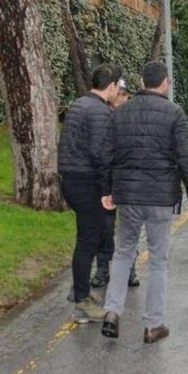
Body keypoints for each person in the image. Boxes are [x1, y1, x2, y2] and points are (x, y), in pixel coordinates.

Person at [100, 61, 188, 344]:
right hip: (159, 196)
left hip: (128, 196)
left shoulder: (121, 112)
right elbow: (186, 157)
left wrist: (108, 190)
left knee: (123, 252)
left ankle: (111, 311)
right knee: (158, 259)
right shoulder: (174, 113)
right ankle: (153, 324)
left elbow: (109, 155)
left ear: (142, 81)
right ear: (165, 82)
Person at [57, 63, 121, 323]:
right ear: (112, 86)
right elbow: (100, 154)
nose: (119, 91)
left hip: (70, 179)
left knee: (85, 238)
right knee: (88, 240)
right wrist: (107, 190)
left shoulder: (78, 105)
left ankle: (80, 290)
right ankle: (82, 301)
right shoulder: (100, 112)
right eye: (119, 86)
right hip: (87, 183)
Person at [90, 81, 140, 289]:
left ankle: (130, 269)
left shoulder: (135, 118)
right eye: (118, 95)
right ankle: (102, 268)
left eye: (125, 95)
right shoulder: (101, 116)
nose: (121, 99)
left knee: (130, 229)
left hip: (128, 181)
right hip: (105, 181)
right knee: (105, 228)